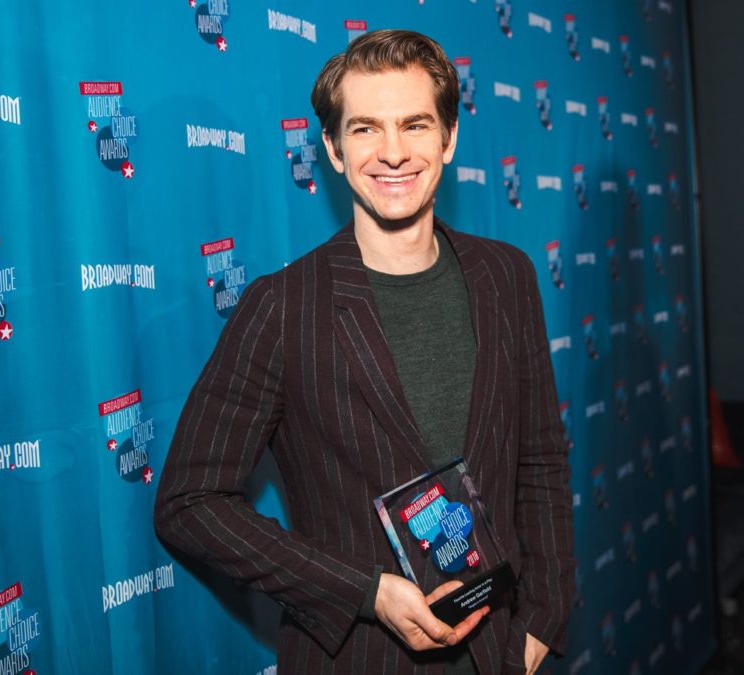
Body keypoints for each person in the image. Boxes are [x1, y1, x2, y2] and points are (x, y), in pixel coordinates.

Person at [155, 29, 575, 675]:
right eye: (365, 129)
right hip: (360, 656)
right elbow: (190, 502)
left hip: (499, 649)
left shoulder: (507, 275)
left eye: (414, 124)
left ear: (449, 138)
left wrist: (544, 618)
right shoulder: (282, 306)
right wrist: (365, 590)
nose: (394, 152)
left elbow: (541, 454)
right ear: (331, 148)